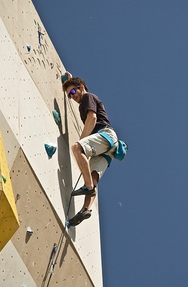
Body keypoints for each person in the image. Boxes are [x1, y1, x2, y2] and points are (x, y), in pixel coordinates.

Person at [62, 72, 118, 226]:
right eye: (69, 96)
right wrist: (69, 81)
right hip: (109, 149)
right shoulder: (84, 100)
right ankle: (85, 209)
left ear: (82, 87)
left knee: (76, 148)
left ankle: (88, 188)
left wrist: (82, 140)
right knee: (93, 177)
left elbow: (92, 119)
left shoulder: (88, 97)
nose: (72, 96)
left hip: (105, 136)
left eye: (73, 92)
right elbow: (75, 87)